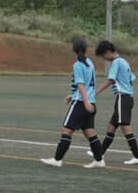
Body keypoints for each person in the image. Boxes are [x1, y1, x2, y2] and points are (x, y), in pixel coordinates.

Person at [42, 37, 102, 168]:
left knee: (67, 130)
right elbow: (87, 84)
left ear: (73, 49)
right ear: (86, 49)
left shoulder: (78, 65)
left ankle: (57, 159)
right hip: (90, 102)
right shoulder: (90, 63)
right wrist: (73, 95)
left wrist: (85, 101)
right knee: (90, 132)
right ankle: (99, 160)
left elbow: (81, 84)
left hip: (81, 103)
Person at [92, 40, 138, 166]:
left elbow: (110, 80)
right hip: (126, 97)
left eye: (103, 56)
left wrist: (96, 92)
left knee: (125, 126)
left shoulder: (116, 62)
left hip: (123, 97)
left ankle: (137, 156)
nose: (104, 59)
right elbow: (132, 78)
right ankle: (100, 153)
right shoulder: (124, 61)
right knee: (112, 127)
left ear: (108, 52)